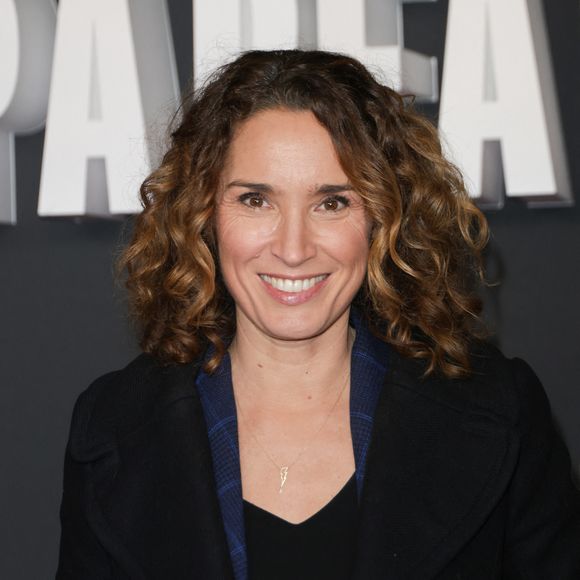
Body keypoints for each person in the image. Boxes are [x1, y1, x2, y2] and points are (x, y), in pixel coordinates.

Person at [55, 50, 580, 580]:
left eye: (331, 203)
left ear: (382, 218)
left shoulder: (496, 410)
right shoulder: (114, 428)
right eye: (256, 200)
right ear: (203, 215)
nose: (292, 247)